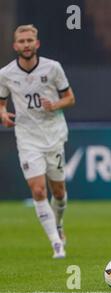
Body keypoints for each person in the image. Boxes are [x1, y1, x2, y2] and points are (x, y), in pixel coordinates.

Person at [0, 25, 75, 259]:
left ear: (37, 43)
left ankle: (59, 223)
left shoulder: (53, 68)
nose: (26, 44)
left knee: (59, 192)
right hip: (27, 137)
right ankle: (56, 244)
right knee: (38, 189)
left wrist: (55, 105)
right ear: (15, 46)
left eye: (30, 40)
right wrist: (2, 114)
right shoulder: (6, 74)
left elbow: (70, 98)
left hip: (54, 135)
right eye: (21, 41)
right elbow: (1, 102)